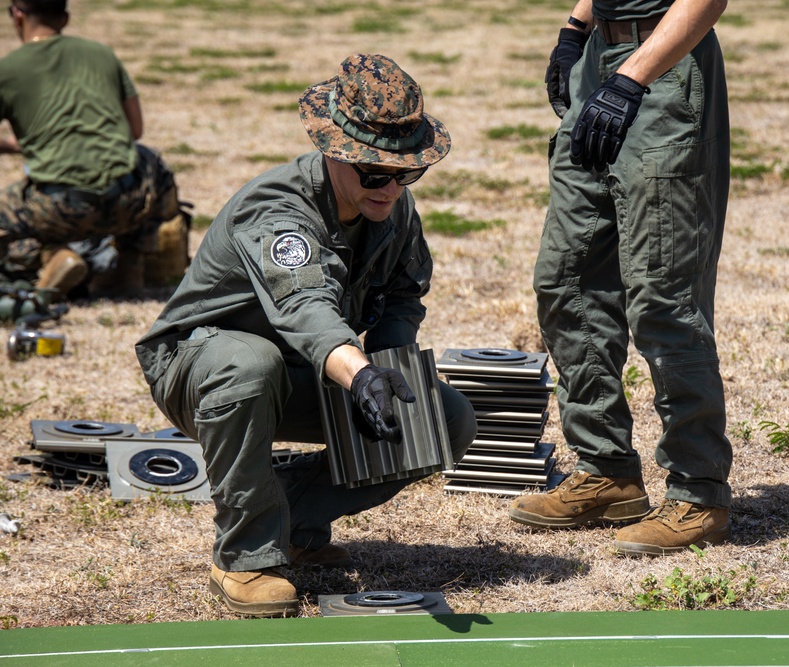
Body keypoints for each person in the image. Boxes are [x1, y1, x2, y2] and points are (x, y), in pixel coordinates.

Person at [135, 53, 477, 617]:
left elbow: (403, 294)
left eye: (407, 172)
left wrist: (390, 366)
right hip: (202, 368)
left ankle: (286, 514)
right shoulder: (278, 210)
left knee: (444, 419)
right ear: (334, 149)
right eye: (375, 172)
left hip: (305, 370)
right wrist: (360, 373)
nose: (391, 187)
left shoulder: (389, 204)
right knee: (249, 364)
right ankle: (244, 556)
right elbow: (305, 308)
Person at [509, 0, 734, 556]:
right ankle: (607, 470)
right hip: (597, 60)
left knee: (663, 296)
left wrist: (633, 77)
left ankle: (697, 493)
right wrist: (576, 27)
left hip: (665, 63)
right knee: (566, 280)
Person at [0, 0, 177, 296]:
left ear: (17, 15)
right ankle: (130, 267)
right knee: (151, 162)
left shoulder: (8, 69)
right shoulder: (102, 54)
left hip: (59, 211)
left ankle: (51, 256)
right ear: (65, 18)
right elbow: (134, 131)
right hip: (128, 201)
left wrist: (12, 146)